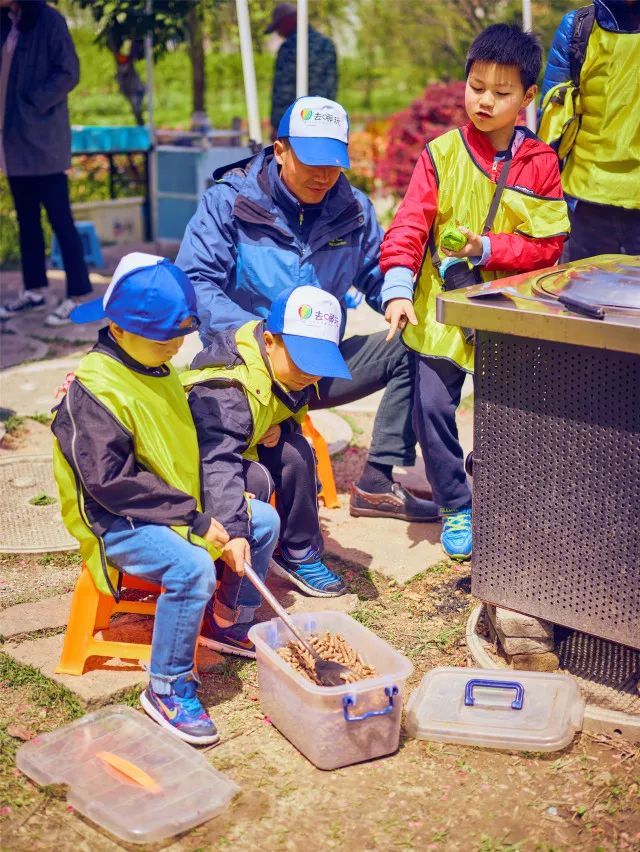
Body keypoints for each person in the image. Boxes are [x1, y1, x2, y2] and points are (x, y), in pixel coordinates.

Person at [176, 94, 439, 580]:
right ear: (280, 150)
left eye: (333, 165)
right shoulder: (229, 202)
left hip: (317, 366)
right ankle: (280, 540)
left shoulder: (354, 209)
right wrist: (256, 336)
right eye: (311, 162)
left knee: (417, 340)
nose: (323, 175)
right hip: (245, 373)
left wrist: (401, 299)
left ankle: (378, 481)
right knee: (283, 458)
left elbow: (377, 276)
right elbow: (194, 281)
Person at [51, 252, 279, 745]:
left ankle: (223, 620)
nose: (177, 346)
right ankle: (167, 685)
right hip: (118, 522)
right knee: (191, 567)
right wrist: (195, 520)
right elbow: (111, 483)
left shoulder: (155, 365)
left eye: (182, 333)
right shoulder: (93, 391)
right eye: (166, 338)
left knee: (260, 523)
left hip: (174, 505)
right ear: (120, 327)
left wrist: (220, 513)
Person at [380, 24, 570, 561]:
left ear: (528, 98)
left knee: (505, 411)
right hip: (440, 311)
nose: (484, 100)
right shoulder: (439, 154)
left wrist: (486, 247)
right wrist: (397, 285)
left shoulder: (541, 164)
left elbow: (549, 247)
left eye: (501, 91)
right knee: (433, 406)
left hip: (506, 313)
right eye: (476, 85)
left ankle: (504, 496)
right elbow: (409, 225)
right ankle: (456, 506)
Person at [182, 286, 353, 639]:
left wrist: (280, 427)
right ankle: (231, 588)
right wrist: (236, 530)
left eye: (321, 364)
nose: (312, 375)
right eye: (304, 361)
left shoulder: (287, 372)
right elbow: (215, 461)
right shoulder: (227, 387)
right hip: (198, 469)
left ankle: (298, 550)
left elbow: (285, 410)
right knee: (257, 481)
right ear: (271, 341)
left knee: (296, 450)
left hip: (243, 448)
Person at [0, 0, 92, 327]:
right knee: (27, 220)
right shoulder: (6, 21)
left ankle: (78, 292)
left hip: (43, 139)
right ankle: (34, 289)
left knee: (59, 219)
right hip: (12, 141)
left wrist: (32, 102)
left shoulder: (49, 20)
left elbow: (69, 70)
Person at [538, 0, 640, 260]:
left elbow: (549, 118)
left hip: (586, 200)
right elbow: (552, 117)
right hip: (584, 207)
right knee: (580, 298)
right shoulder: (578, 27)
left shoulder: (576, 26)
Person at [266, 3, 337, 138]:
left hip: (295, 125)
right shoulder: (326, 44)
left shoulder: (289, 48)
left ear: (288, 21)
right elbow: (331, 86)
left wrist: (278, 125)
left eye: (278, 27)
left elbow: (283, 91)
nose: (278, 33)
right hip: (323, 121)